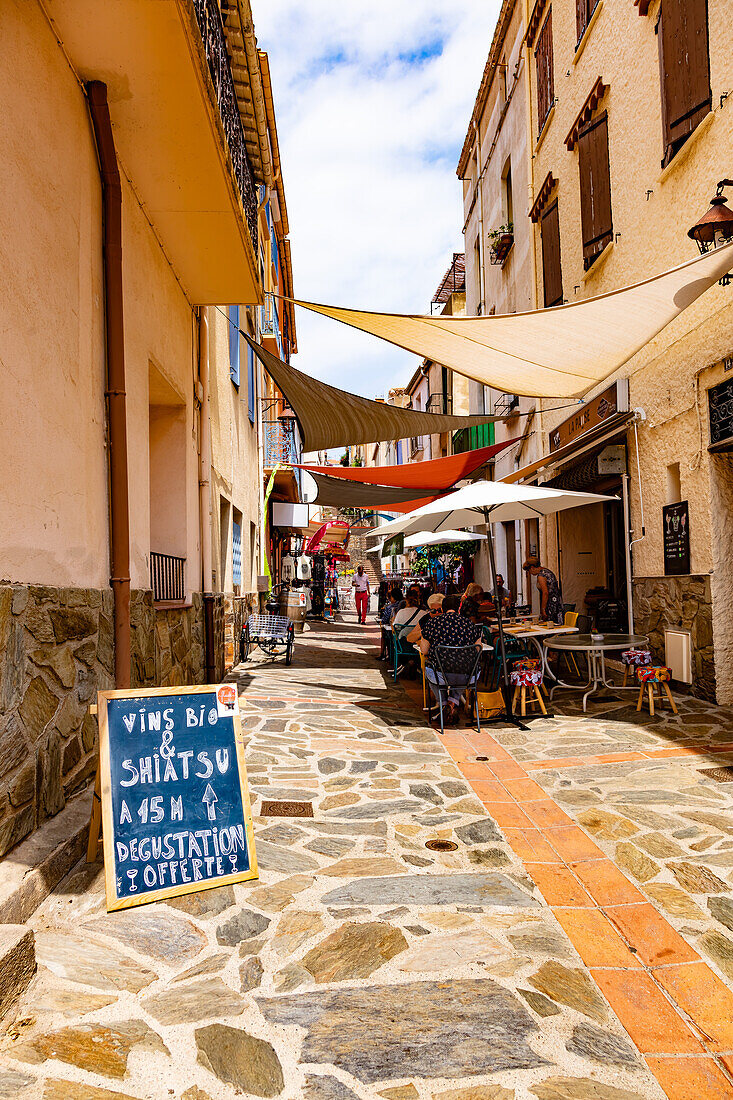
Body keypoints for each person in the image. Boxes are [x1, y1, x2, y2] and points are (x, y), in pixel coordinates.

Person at [419, 594, 483, 725]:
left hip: (441, 675)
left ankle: (443, 705)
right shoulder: (469, 624)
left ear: (442, 609)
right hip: (467, 676)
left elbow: (424, 650)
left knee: (429, 667)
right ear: (459, 609)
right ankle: (453, 702)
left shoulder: (433, 623)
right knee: (462, 667)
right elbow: (478, 649)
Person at [523, 556, 563, 624]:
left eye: (528, 570)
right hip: (557, 603)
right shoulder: (547, 571)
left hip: (551, 605)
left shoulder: (541, 576)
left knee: (550, 627)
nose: (530, 573)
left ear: (532, 567)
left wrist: (543, 609)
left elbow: (545, 593)